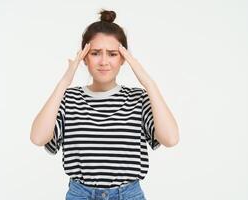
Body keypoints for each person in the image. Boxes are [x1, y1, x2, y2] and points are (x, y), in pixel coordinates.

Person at [30, 9, 179, 200]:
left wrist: (148, 82)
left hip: (128, 195)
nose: (103, 62)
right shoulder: (68, 99)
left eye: (112, 54)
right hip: (80, 195)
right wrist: (65, 81)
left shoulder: (138, 99)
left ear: (124, 58)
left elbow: (171, 139)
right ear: (84, 57)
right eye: (95, 53)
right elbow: (37, 138)